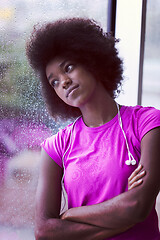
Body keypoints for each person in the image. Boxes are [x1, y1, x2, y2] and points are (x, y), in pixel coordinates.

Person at [26, 18, 160, 240]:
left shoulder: (146, 123)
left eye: (68, 68)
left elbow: (137, 206)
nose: (64, 82)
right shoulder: (56, 147)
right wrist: (120, 217)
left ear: (92, 60)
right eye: (54, 82)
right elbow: (44, 231)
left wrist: (70, 215)